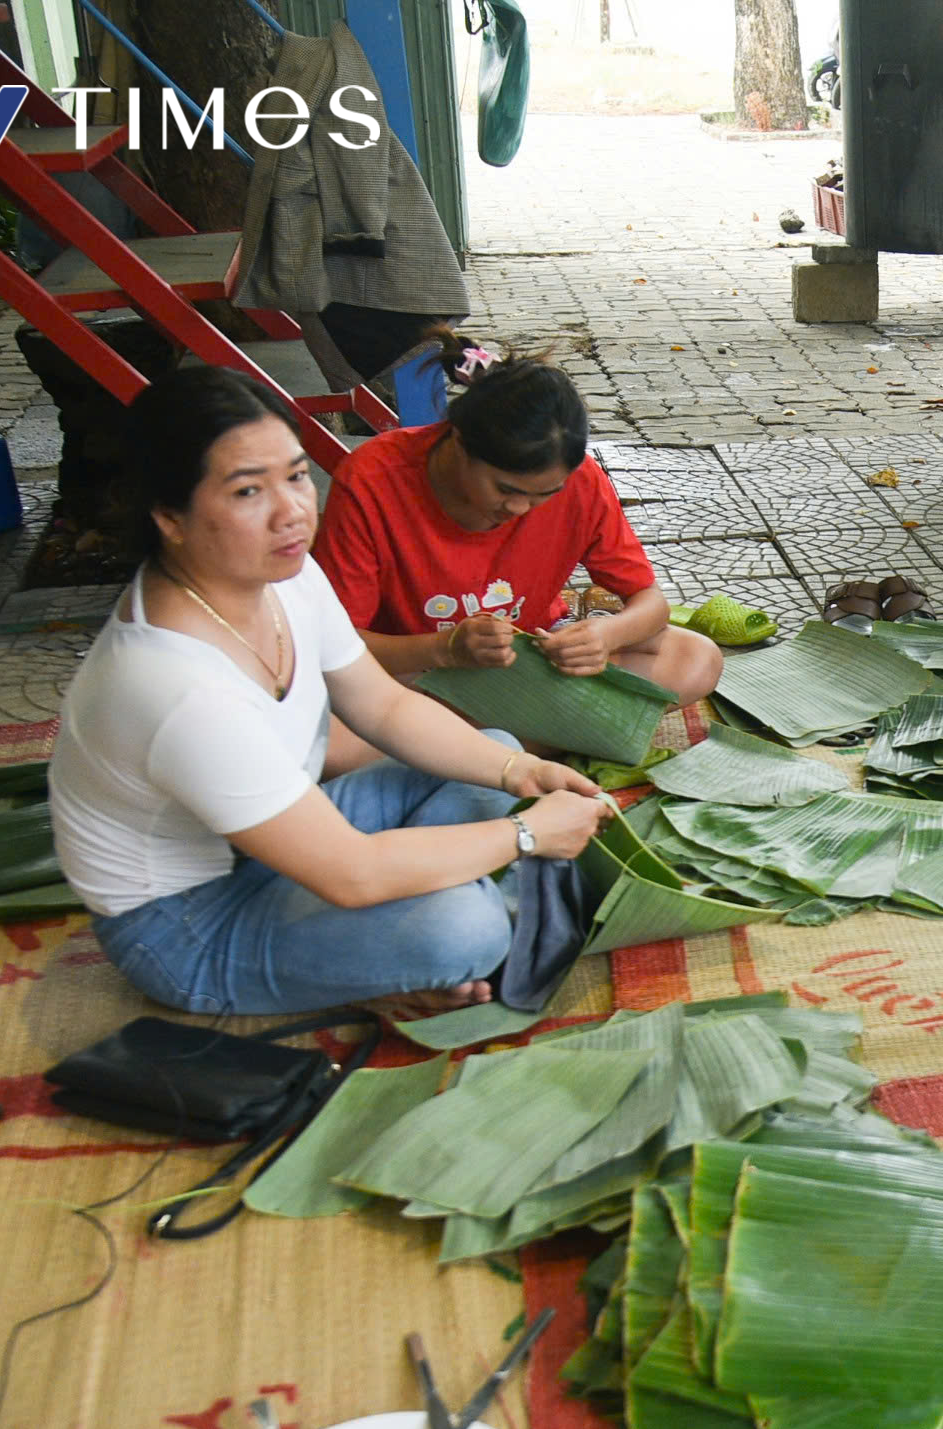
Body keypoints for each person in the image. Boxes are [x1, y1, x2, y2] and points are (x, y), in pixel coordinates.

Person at [50, 368, 612, 1017]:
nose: (292, 510)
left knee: (497, 756)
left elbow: (385, 704)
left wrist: (525, 771)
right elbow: (353, 873)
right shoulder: (173, 684)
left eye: (293, 476)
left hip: (281, 847)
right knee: (468, 929)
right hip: (190, 927)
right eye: (247, 491)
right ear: (170, 518)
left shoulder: (281, 575)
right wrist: (526, 837)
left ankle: (377, 947)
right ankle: (389, 950)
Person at [310, 344, 721, 702]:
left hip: (532, 661)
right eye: (506, 489)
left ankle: (480, 742)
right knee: (334, 710)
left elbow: (651, 604)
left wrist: (604, 636)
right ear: (456, 441)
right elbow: (336, 644)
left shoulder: (580, 482)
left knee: (697, 659)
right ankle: (532, 734)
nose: (520, 509)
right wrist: (447, 649)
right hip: (419, 669)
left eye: (544, 494)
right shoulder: (372, 479)